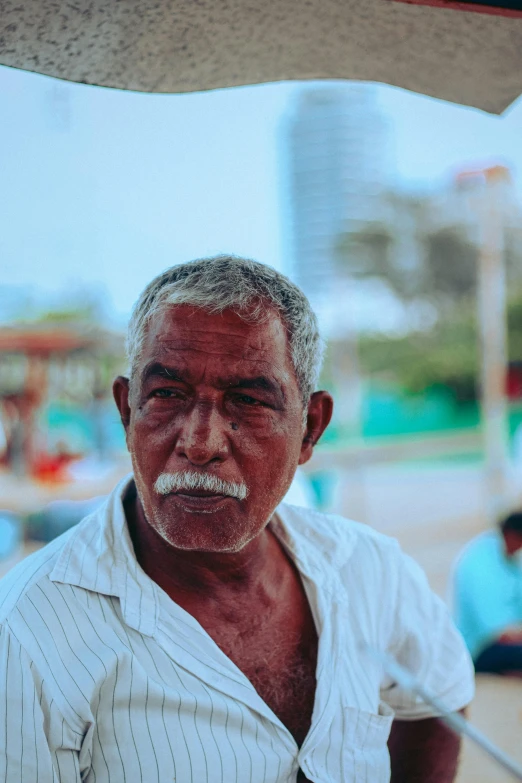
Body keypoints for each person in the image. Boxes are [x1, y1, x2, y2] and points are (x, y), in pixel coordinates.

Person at [0, 255, 473, 782]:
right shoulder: (27, 633)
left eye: (247, 400)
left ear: (310, 428)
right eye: (167, 395)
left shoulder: (370, 570)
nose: (200, 444)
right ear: (126, 411)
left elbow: (440, 695)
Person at [451, 511, 522, 676]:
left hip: (505, 641)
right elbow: (495, 631)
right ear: (512, 536)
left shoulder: (509, 561)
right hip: (479, 648)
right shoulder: (480, 563)